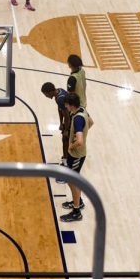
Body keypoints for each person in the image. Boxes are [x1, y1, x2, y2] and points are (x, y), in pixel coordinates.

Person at [59, 92, 93, 223]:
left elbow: (79, 141)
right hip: (78, 154)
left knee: (72, 181)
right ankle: (77, 201)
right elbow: (91, 123)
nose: (66, 107)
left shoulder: (78, 119)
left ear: (71, 105)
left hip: (76, 154)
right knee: (70, 179)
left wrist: (71, 146)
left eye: (67, 105)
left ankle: (76, 211)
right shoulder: (82, 109)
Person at [40, 81, 71, 171]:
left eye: (45, 94)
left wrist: (66, 129)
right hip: (69, 117)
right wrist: (61, 123)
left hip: (71, 118)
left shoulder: (60, 99)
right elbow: (60, 109)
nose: (46, 96)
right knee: (66, 139)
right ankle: (67, 156)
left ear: (50, 92)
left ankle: (66, 161)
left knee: (65, 139)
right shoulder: (59, 91)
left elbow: (67, 116)